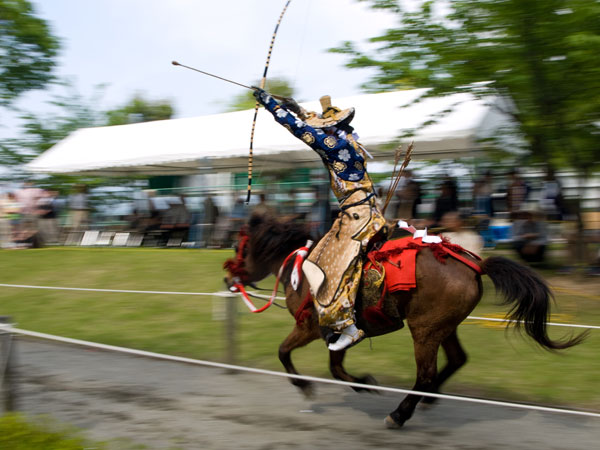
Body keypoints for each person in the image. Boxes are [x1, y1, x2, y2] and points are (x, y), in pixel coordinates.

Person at [254, 89, 386, 351]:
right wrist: (298, 109)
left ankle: (347, 324)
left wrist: (269, 104)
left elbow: (300, 130)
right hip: (366, 210)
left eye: (324, 128)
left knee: (327, 266)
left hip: (357, 216)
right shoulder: (347, 138)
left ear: (330, 129)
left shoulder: (332, 145)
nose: (321, 131)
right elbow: (312, 122)